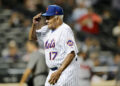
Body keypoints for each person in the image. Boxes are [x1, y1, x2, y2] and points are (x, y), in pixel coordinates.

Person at [29, 5, 79, 86]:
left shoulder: (65, 30)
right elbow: (32, 38)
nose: (46, 21)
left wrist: (59, 71)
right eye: (46, 18)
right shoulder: (47, 29)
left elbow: (71, 53)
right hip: (53, 71)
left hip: (65, 71)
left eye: (49, 18)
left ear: (57, 18)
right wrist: (34, 25)